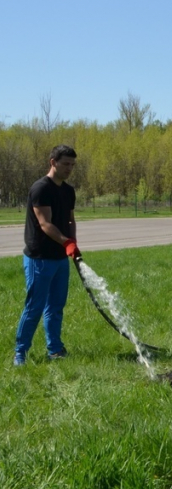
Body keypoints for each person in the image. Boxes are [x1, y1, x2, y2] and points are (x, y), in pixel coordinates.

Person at [14, 145, 79, 366]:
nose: (69, 169)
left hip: (60, 259)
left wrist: (73, 243)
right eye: (65, 164)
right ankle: (20, 353)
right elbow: (45, 224)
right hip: (39, 258)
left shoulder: (68, 191)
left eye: (72, 165)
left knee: (56, 306)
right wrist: (66, 242)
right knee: (35, 307)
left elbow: (70, 220)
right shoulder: (41, 188)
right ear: (53, 162)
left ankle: (55, 350)